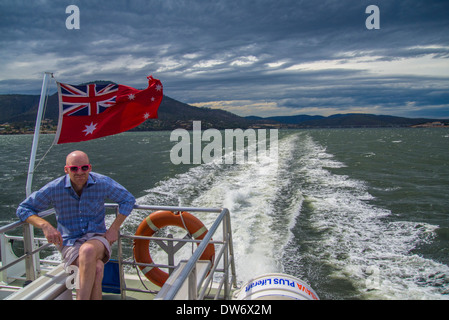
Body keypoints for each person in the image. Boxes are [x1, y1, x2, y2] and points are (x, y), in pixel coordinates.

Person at [16, 150, 136, 300]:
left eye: (84, 168)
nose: (79, 172)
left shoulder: (102, 183)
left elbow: (128, 199)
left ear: (90, 168)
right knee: (97, 269)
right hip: (69, 242)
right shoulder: (55, 188)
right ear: (66, 170)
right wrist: (45, 225)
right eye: (74, 168)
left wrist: (114, 228)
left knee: (87, 250)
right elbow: (23, 209)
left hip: (97, 237)